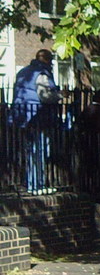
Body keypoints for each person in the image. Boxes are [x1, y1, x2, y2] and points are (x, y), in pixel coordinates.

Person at [11, 49, 62, 194]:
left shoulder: (23, 72)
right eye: (50, 59)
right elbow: (45, 96)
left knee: (31, 150)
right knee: (40, 150)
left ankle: (32, 183)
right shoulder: (42, 73)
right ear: (47, 59)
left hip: (23, 116)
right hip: (39, 117)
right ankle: (36, 185)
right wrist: (60, 95)